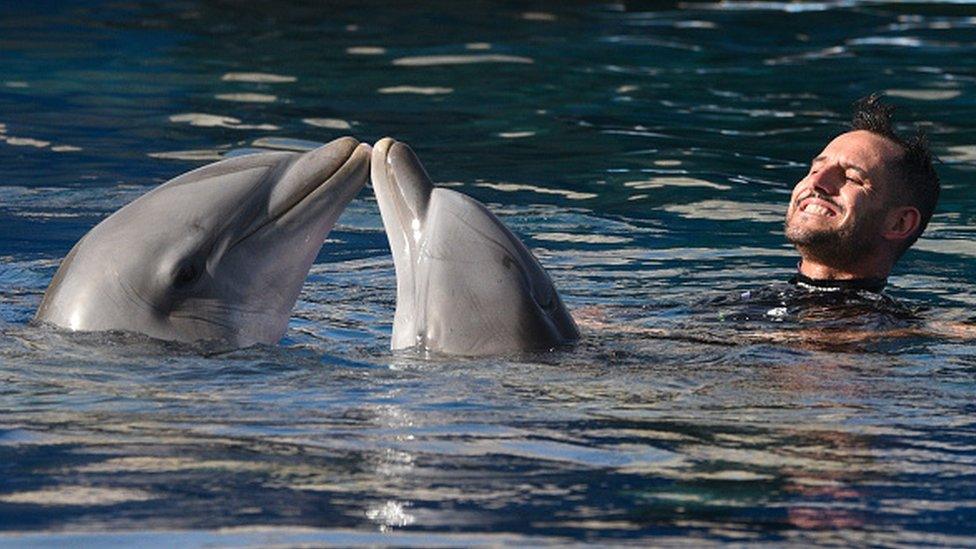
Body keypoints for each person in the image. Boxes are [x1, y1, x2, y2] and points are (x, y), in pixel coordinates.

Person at [784, 93, 939, 292]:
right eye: (814, 170)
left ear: (899, 223)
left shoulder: (909, 323)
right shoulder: (744, 301)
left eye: (851, 178)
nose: (816, 182)